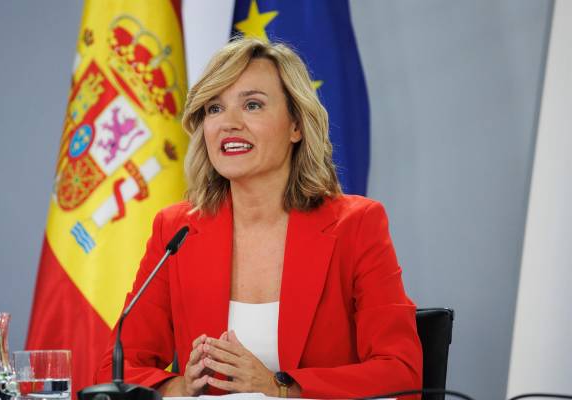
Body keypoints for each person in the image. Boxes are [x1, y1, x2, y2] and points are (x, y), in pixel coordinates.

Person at [96, 37, 422, 399]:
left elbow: (401, 373)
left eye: (252, 105)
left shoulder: (356, 225)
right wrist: (181, 387)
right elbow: (114, 371)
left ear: (296, 126)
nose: (228, 123)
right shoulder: (177, 230)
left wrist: (280, 390)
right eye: (214, 109)